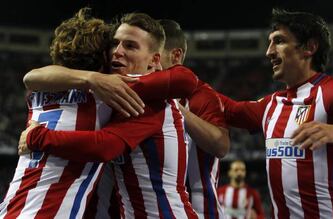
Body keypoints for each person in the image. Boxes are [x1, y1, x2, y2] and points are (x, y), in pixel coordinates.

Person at [18, 12, 200, 218]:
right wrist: (92, 78)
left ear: (154, 60)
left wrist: (37, 137)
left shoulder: (150, 99)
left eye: (130, 46)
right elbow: (32, 77)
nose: (118, 52)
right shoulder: (104, 95)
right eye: (115, 44)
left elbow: (104, 146)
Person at [218, 8, 333, 218]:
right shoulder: (270, 105)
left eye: (279, 41)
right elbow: (228, 110)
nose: (269, 52)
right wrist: (186, 86)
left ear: (309, 47)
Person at [0, 8, 116, 219]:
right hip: (47, 213)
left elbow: (32, 77)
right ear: (103, 58)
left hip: (11, 208)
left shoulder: (37, 94)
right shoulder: (103, 98)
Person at [158, 19, 230, 218]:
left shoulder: (201, 94)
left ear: (176, 55)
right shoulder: (143, 95)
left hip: (202, 212)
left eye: (156, 51)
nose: (150, 59)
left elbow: (221, 145)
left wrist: (175, 107)